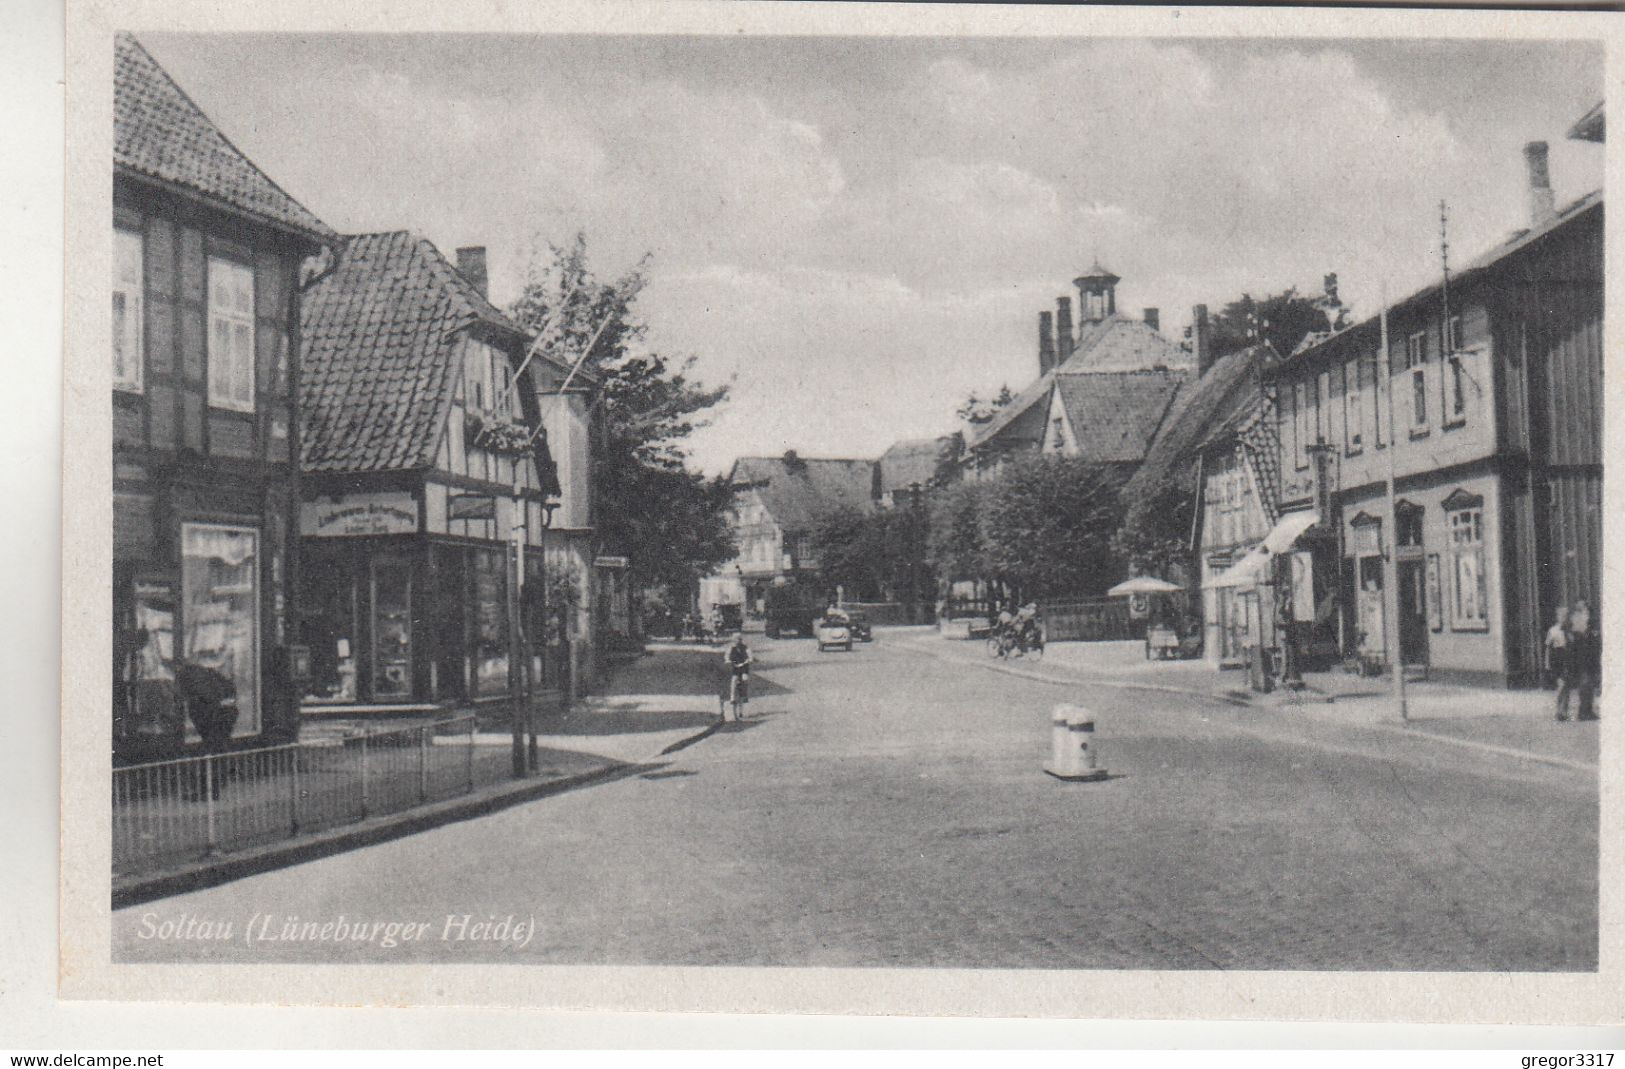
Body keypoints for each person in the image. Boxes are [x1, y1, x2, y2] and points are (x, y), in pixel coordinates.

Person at [1569, 600, 1600, 722]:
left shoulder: (1591, 625)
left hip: (1591, 660)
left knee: (1590, 686)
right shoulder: (1576, 625)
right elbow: (1574, 646)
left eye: (1587, 610)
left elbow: (1595, 642)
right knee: (1584, 686)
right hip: (1581, 661)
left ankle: (1589, 710)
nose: (1586, 613)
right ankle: (1583, 712)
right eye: (1583, 610)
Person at [1545, 605, 1572, 722]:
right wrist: (1547, 663)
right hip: (1558, 659)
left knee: (1567, 687)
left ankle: (1564, 712)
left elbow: (1573, 645)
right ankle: (1557, 711)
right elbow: (1548, 647)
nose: (1564, 618)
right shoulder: (1553, 630)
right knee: (1561, 686)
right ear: (1558, 617)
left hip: (1568, 658)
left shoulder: (1570, 630)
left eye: (1566, 616)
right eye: (1562, 616)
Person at [721, 631, 753, 719]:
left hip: (744, 667)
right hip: (735, 667)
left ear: (741, 640)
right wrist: (727, 660)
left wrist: (749, 660)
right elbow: (726, 656)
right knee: (734, 680)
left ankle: (745, 695)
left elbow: (750, 655)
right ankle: (732, 697)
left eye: (738, 639)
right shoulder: (731, 648)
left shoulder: (745, 647)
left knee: (745, 679)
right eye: (735, 640)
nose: (737, 641)